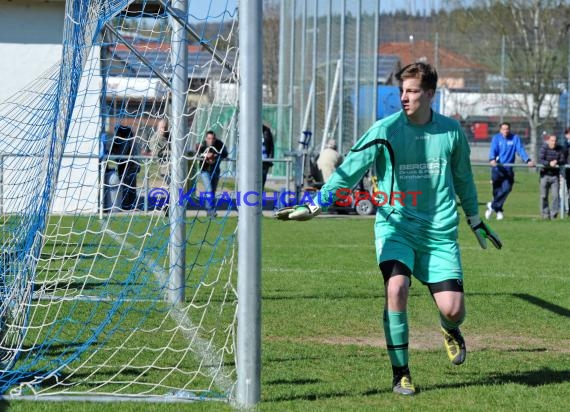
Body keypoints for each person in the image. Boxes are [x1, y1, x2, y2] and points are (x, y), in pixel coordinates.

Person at [275, 62, 501, 396]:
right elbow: (350, 169)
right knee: (397, 288)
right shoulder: (384, 130)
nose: (404, 98)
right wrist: (317, 203)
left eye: (411, 91)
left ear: (430, 94)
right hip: (395, 227)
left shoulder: (451, 132)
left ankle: (450, 328)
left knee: (453, 308)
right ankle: (401, 374)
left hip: (439, 234)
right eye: (401, 91)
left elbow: (464, 178)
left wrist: (474, 218)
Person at [486, 122, 534, 220]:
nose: (505, 131)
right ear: (500, 130)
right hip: (497, 169)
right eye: (503, 129)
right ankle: (498, 211)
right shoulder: (496, 138)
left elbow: (520, 150)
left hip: (508, 170)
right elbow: (493, 150)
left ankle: (492, 206)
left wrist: (527, 160)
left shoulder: (515, 138)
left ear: (509, 129)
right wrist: (492, 159)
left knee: (507, 188)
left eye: (507, 129)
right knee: (496, 192)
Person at [197, 130, 228, 217]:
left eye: (213, 138)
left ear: (215, 138)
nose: (211, 140)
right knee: (209, 190)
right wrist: (205, 155)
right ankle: (210, 210)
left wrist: (215, 155)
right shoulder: (202, 145)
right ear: (206, 139)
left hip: (215, 170)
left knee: (213, 191)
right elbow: (198, 154)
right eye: (209, 138)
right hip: (205, 171)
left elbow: (225, 153)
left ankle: (210, 209)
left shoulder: (219, 144)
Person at [538, 134, 565, 219]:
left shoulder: (560, 148)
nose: (554, 142)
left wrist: (556, 161)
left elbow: (562, 159)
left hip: (555, 176)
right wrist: (549, 163)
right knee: (543, 196)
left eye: (555, 141)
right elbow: (540, 159)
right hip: (544, 175)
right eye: (552, 140)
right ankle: (545, 214)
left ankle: (553, 215)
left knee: (555, 196)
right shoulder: (544, 148)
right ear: (548, 141)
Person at [149, 117, 171, 184]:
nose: (163, 130)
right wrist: (172, 153)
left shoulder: (170, 136)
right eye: (162, 127)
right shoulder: (155, 138)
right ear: (158, 127)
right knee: (173, 187)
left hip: (176, 167)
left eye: (165, 128)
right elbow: (156, 153)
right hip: (165, 169)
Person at [262, 124, 275, 190]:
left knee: (262, 181)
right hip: (253, 162)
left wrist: (270, 159)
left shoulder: (266, 131)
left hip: (264, 161)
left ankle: (259, 197)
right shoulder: (249, 130)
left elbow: (271, 147)